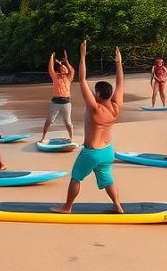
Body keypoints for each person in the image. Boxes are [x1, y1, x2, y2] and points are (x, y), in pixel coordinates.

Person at [55, 41, 125, 214]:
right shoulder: (116, 107)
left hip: (92, 152)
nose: (93, 94)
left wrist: (83, 56)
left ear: (99, 94)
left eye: (95, 92)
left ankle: (67, 207)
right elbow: (120, 82)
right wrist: (118, 63)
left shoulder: (95, 108)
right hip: (108, 151)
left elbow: (82, 79)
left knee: (76, 177)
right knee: (107, 179)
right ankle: (117, 205)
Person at [40, 50, 75, 142]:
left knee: (68, 122)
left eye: (65, 68)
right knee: (49, 121)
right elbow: (50, 68)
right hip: (55, 102)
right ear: (60, 70)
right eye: (62, 67)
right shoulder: (55, 76)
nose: (64, 68)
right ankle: (43, 137)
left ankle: (71, 138)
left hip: (66, 102)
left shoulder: (69, 77)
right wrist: (51, 56)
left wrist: (66, 62)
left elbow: (72, 70)